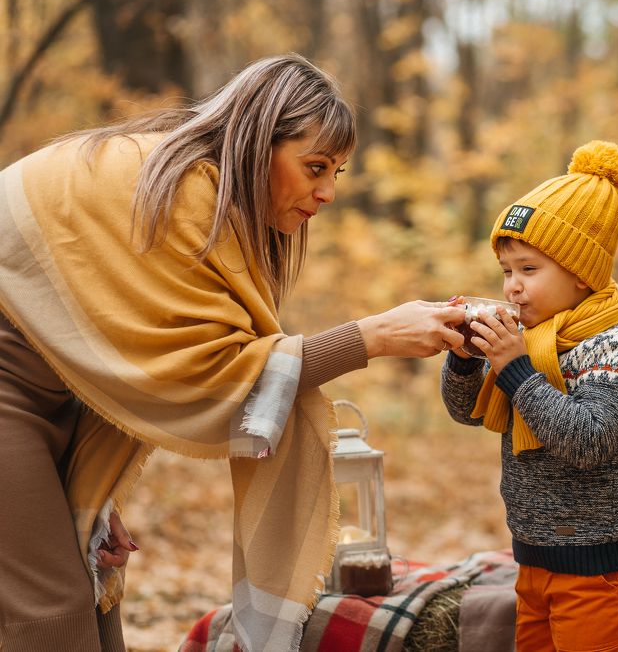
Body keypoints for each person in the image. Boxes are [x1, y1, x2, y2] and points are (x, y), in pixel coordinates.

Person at [0, 53, 466, 652]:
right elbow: (212, 378)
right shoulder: (179, 190)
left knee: (93, 605)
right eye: (315, 166)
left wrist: (95, 485)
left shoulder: (199, 193)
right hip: (12, 392)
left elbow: (127, 359)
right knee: (52, 616)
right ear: (256, 142)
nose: (327, 193)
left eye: (338, 173)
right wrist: (370, 338)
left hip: (55, 396)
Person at [440, 140, 618, 651]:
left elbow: (589, 441)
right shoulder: (533, 340)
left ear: (582, 273)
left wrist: (515, 369)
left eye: (529, 270)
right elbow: (464, 412)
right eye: (506, 271)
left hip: (601, 570)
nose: (512, 287)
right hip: (535, 560)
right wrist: (467, 358)